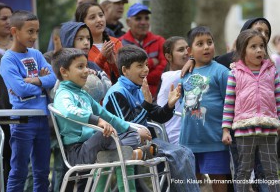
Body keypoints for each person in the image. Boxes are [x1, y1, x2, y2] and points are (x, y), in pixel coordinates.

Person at [181, 17, 272, 192]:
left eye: (266, 33)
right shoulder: (225, 64)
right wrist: (191, 59)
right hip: (196, 137)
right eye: (256, 30)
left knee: (259, 173)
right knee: (195, 180)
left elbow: (232, 100)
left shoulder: (267, 66)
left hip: (246, 131)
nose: (261, 36)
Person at [52, 47, 158, 192]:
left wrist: (130, 128)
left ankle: (127, 151)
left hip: (95, 146)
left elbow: (106, 114)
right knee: (106, 134)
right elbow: (68, 110)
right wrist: (98, 121)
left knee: (130, 134)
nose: (86, 71)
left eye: (86, 66)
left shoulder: (82, 94)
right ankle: (132, 154)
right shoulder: (63, 94)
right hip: (78, 152)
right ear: (64, 72)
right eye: (80, 67)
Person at [103, 45, 199, 192]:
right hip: (127, 144)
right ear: (125, 70)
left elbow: (159, 117)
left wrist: (169, 105)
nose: (146, 70)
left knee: (186, 152)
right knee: (179, 154)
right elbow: (127, 126)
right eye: (140, 66)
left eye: (146, 65)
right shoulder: (116, 92)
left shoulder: (138, 87)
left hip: (148, 141)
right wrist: (146, 104)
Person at [222, 29, 280, 191]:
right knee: (244, 171)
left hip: (268, 130)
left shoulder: (271, 71)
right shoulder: (235, 73)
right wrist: (226, 130)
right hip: (243, 131)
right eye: (253, 46)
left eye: (261, 46)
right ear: (242, 50)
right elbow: (229, 104)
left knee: (271, 172)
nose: (259, 50)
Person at [0, 10, 57, 192]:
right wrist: (42, 83)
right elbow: (20, 89)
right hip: (22, 121)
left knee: (42, 172)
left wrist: (35, 80)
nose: (34, 36)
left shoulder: (37, 54)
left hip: (42, 119)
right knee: (18, 171)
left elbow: (53, 78)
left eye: (37, 31)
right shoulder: (7, 60)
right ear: (15, 31)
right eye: (30, 31)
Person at [180, 26, 230, 192]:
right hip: (189, 139)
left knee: (218, 179)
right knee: (192, 182)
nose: (206, 46)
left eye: (209, 42)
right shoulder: (185, 73)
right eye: (200, 44)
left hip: (215, 139)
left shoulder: (222, 72)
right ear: (190, 50)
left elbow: (230, 103)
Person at [119, 3, 166, 99]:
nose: (143, 22)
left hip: (157, 96)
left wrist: (137, 76)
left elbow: (164, 69)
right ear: (128, 22)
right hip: (130, 97)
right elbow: (120, 72)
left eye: (146, 18)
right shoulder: (119, 43)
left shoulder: (159, 41)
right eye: (138, 18)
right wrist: (152, 62)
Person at [59, 21, 112, 102]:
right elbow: (55, 92)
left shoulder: (92, 65)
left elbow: (109, 87)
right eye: (80, 39)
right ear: (69, 41)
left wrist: (97, 76)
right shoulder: (61, 67)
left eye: (88, 38)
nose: (86, 42)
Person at [75, 2, 122, 84]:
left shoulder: (115, 43)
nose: (99, 20)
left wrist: (113, 63)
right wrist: (102, 57)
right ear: (82, 23)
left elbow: (126, 75)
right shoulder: (80, 46)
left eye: (101, 15)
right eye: (92, 17)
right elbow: (88, 77)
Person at [157, 36, 189, 144]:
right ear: (168, 56)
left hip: (187, 135)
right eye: (181, 50)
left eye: (187, 48)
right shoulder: (171, 76)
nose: (186, 52)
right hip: (175, 138)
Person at [0, 2, 13, 191]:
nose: (9, 22)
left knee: (14, 159)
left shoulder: (21, 46)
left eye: (11, 17)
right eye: (3, 18)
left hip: (18, 110)